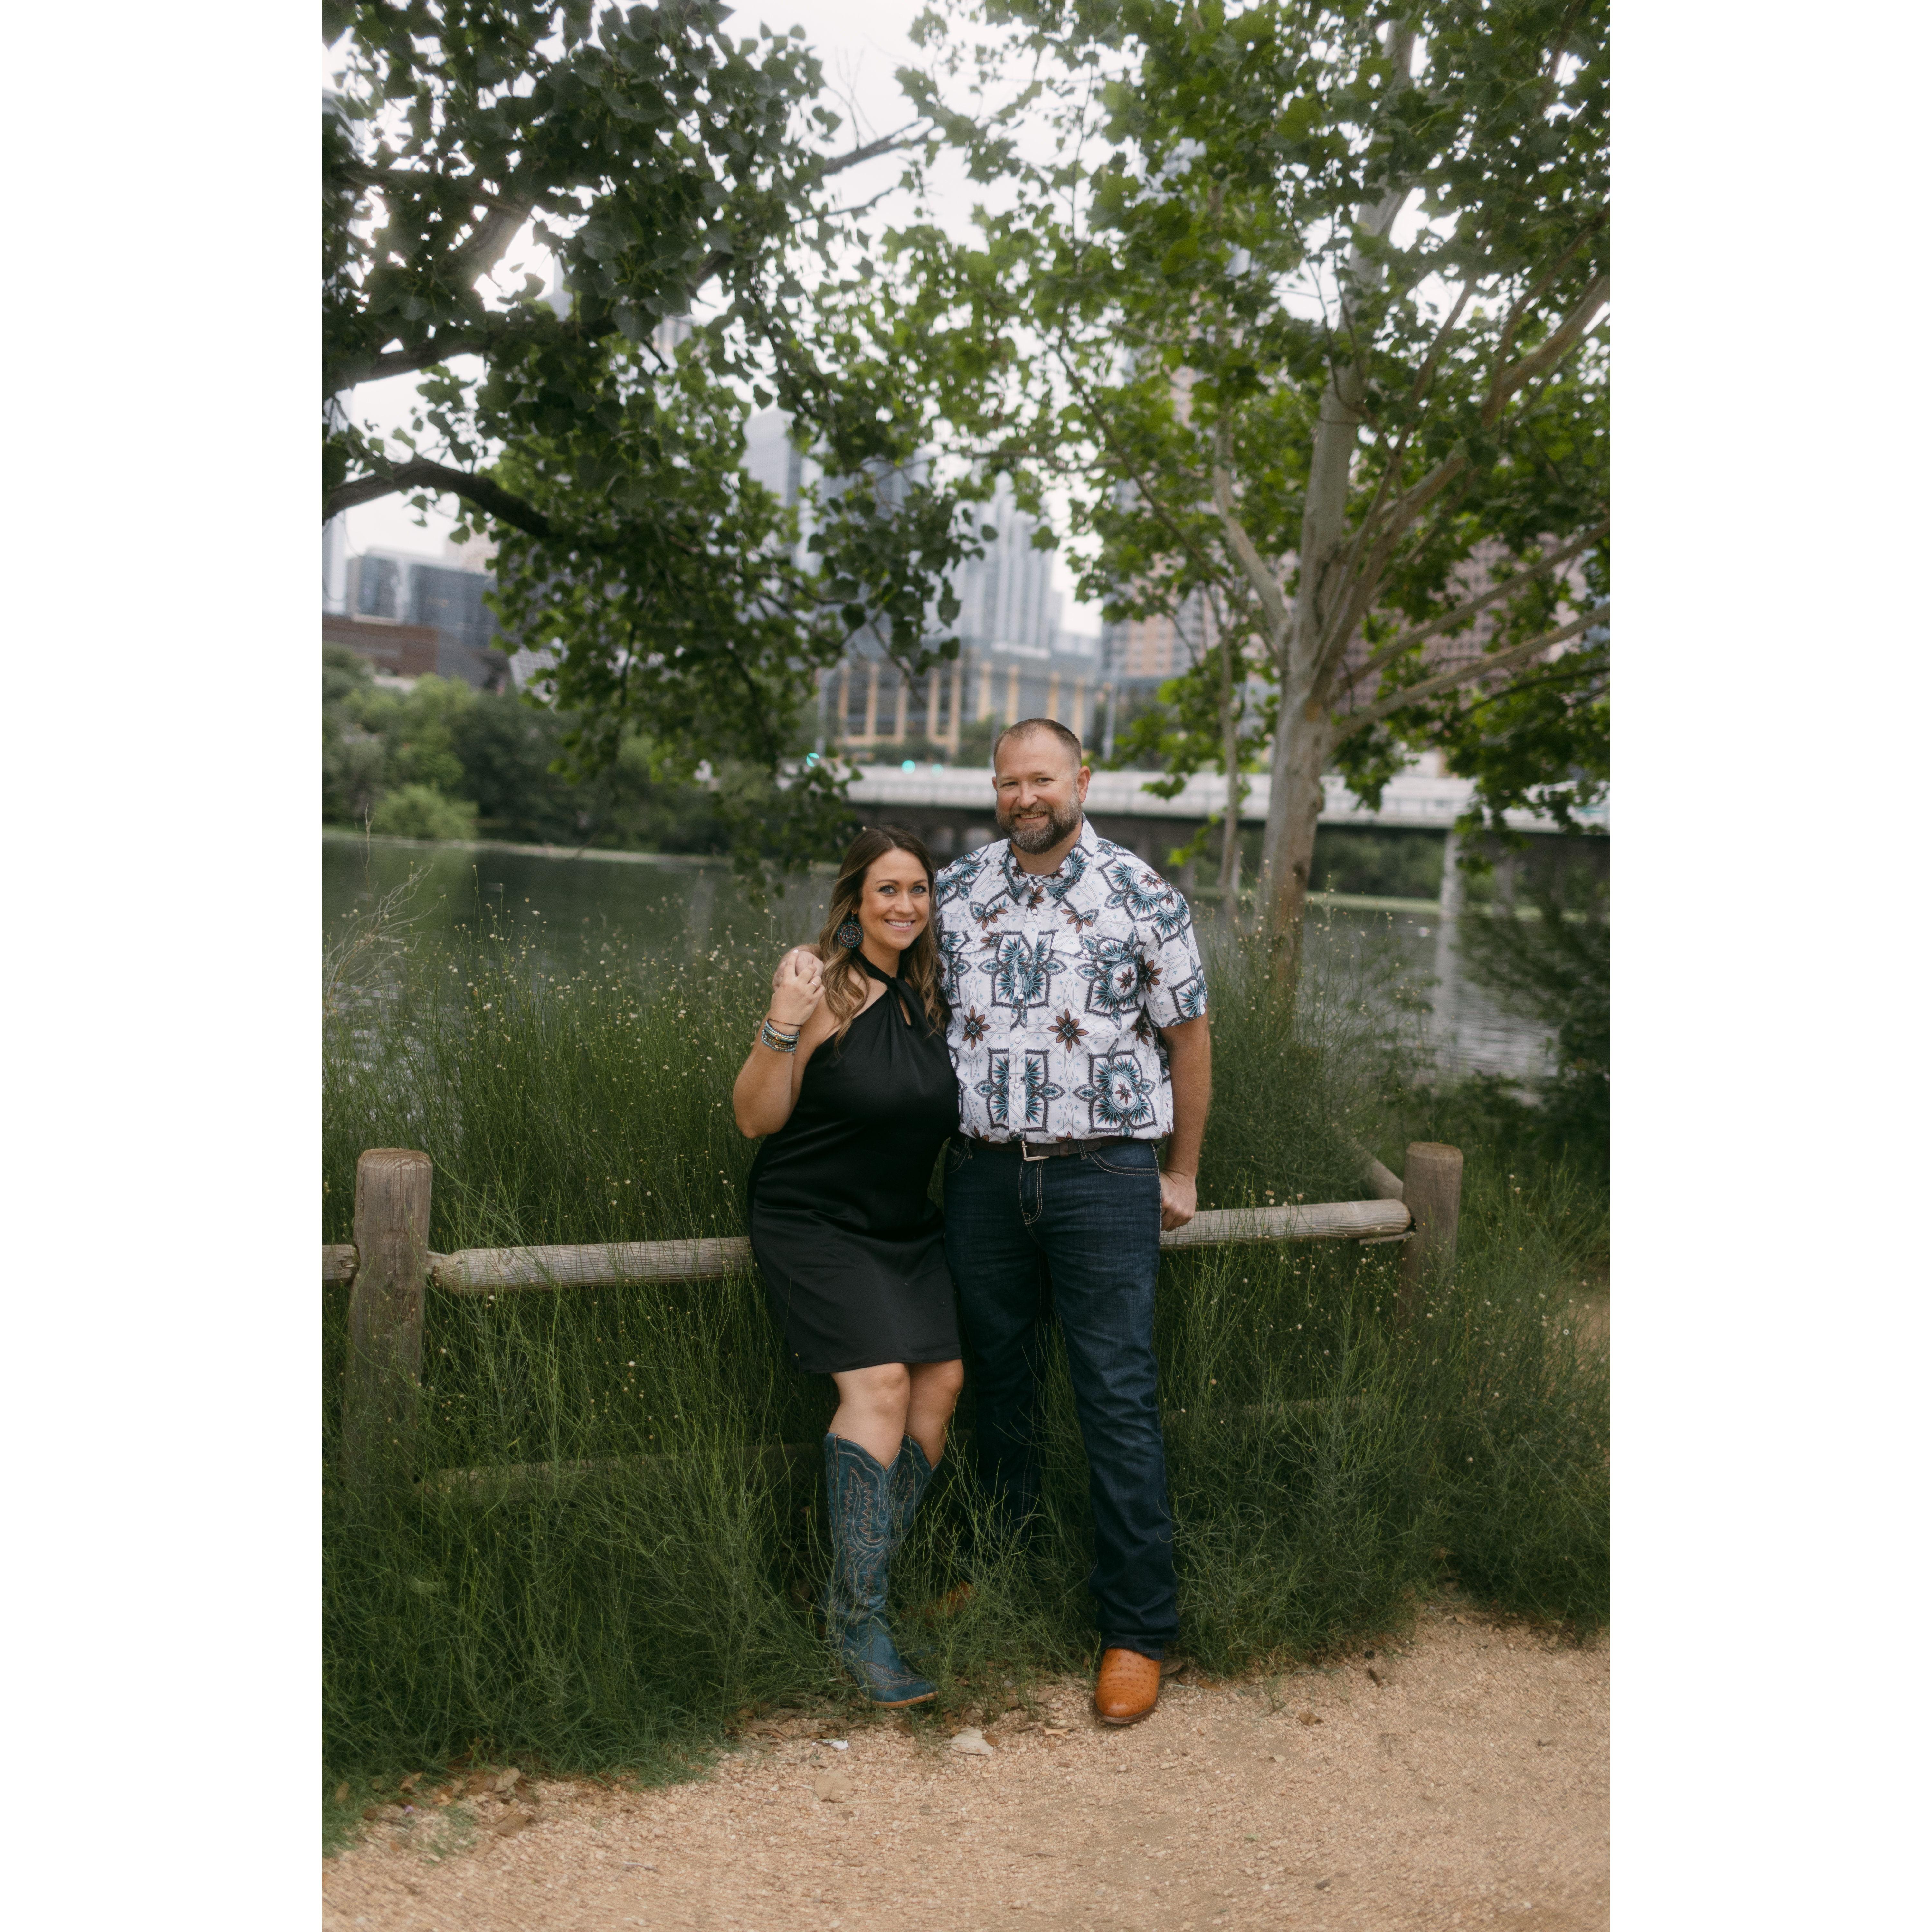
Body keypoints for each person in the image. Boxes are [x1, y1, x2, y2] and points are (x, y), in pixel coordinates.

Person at [934, 717, 1211, 1728]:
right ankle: (995, 1570)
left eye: (1042, 779)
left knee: (1117, 1397)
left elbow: (1189, 1040)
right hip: (982, 1178)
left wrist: (1179, 1172)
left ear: (1082, 780)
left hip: (1106, 1175)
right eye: (1010, 783)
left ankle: (1137, 1630)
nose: (1025, 798)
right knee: (995, 1387)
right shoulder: (957, 895)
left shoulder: (1143, 896)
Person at [733, 826, 966, 1708]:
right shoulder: (827, 989)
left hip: (903, 1228)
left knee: (940, 1383)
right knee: (879, 1386)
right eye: (887, 891)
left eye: (918, 891)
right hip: (814, 1220)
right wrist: (779, 1027)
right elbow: (757, 1119)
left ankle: (842, 1592)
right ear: (855, 902)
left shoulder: (929, 999)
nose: (904, 905)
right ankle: (858, 1622)